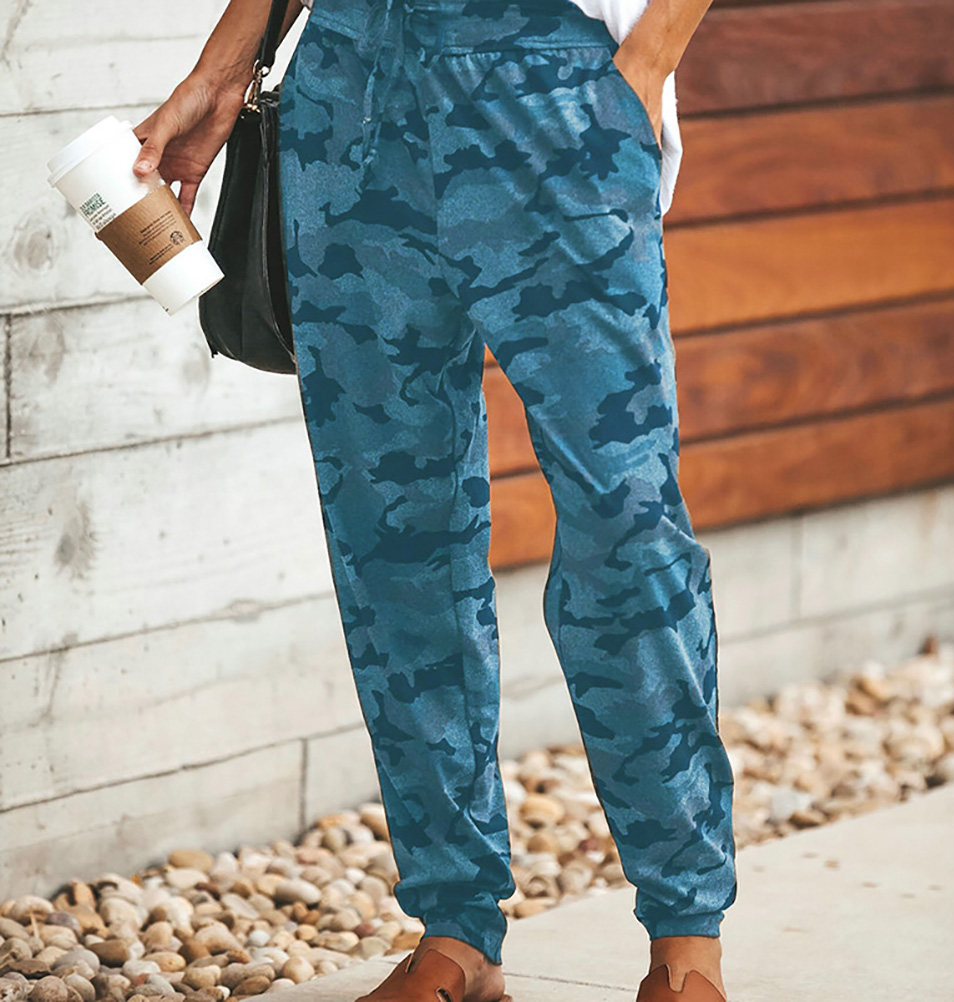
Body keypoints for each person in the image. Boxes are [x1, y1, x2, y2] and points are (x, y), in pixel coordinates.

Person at [132, 0, 735, 998]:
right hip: (348, 88)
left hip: (551, 83)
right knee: (392, 529)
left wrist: (648, 60)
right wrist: (224, 65)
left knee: (624, 521)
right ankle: (457, 927)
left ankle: (686, 935)